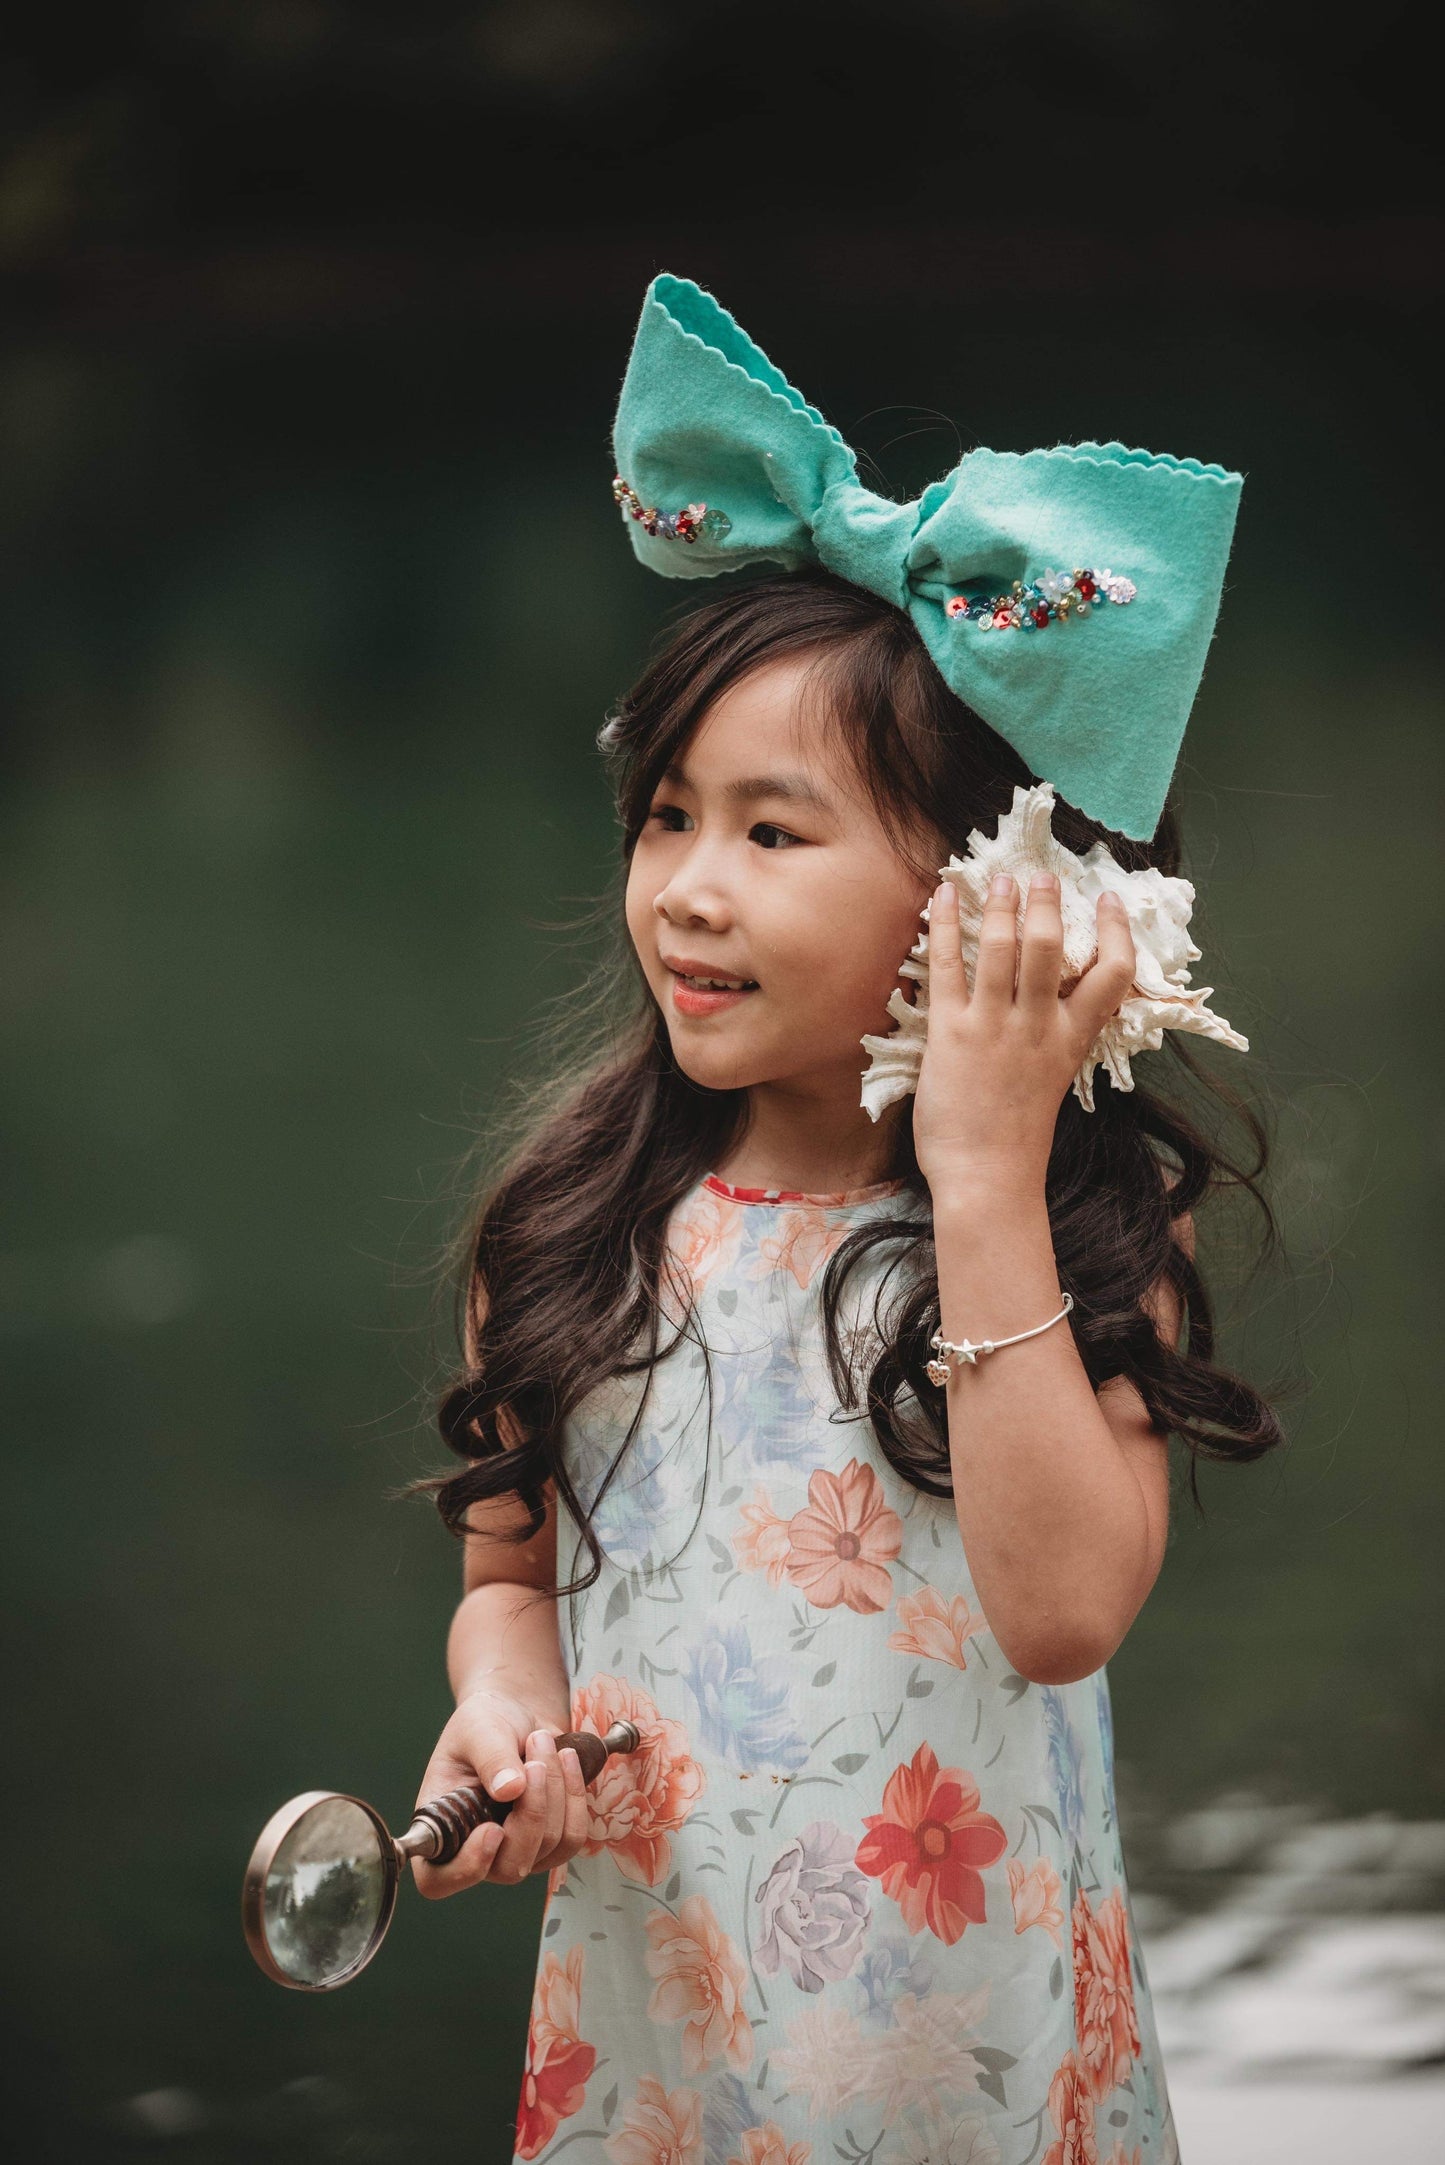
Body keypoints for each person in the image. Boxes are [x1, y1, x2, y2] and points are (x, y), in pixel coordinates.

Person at [409, 277, 1282, 2164]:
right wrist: (500, 1716)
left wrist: (977, 1171)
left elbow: (1058, 1618)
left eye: (773, 833)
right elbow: (506, 1584)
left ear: (981, 883)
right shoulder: (569, 1224)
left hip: (968, 2057)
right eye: (664, 817)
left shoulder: (1083, 1225)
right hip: (663, 2028)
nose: (688, 892)